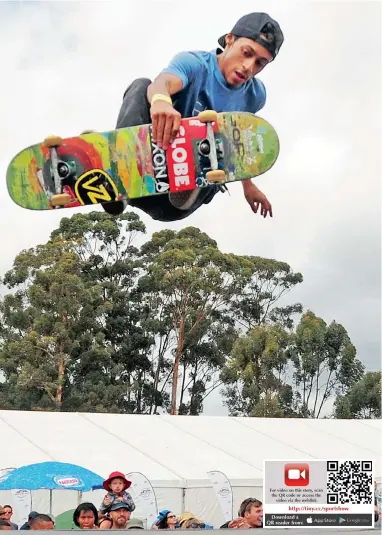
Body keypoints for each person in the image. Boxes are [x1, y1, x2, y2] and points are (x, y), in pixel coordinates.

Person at [103, 12, 283, 222]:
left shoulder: (255, 96)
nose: (249, 67)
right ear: (230, 40)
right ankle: (120, 177)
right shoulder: (195, 63)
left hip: (172, 203)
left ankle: (194, 176)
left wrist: (248, 185)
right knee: (142, 86)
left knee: (217, 143)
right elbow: (163, 83)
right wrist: (161, 101)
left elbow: (239, 144)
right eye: (246, 53)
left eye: (260, 63)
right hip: (152, 159)